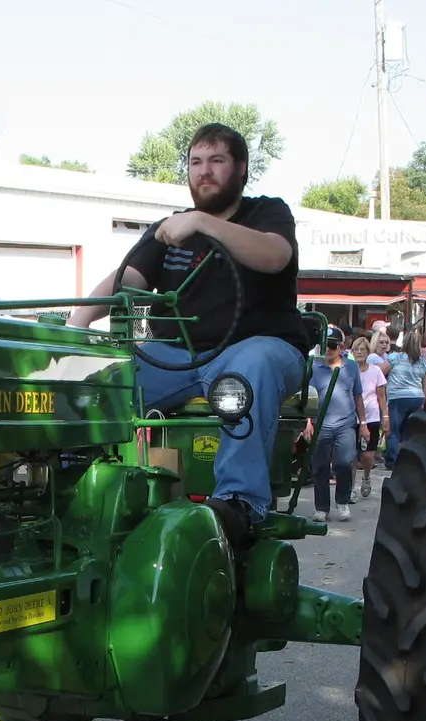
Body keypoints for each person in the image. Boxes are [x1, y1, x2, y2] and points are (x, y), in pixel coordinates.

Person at [68, 123, 307, 537]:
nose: (204, 171)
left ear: (242, 169)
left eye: (217, 161)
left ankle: (240, 503)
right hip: (179, 358)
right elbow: (127, 281)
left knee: (250, 365)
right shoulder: (171, 228)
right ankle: (69, 483)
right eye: (196, 162)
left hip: (258, 350)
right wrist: (78, 323)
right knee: (101, 381)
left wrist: (201, 222)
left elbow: (274, 256)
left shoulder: (268, 212)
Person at [306, 328, 367, 523]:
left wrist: (363, 423)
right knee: (320, 467)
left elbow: (358, 395)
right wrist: (306, 422)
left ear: (341, 347)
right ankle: (322, 508)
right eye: (325, 345)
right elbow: (306, 397)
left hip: (345, 423)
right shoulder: (313, 366)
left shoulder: (350, 367)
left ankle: (342, 501)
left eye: (332, 345)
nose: (329, 349)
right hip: (320, 423)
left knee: (344, 463)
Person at [382, 330, 426, 468]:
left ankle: (392, 461)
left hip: (397, 397)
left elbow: (381, 372)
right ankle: (409, 461)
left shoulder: (395, 357)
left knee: (393, 431)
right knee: (409, 431)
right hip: (417, 397)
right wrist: (423, 401)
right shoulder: (423, 363)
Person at [352, 335, 387, 498]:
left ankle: (366, 477)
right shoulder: (348, 369)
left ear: (368, 352)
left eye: (362, 349)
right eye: (356, 349)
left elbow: (381, 396)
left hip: (371, 416)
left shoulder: (375, 371)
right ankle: (350, 487)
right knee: (350, 454)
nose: (359, 352)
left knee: (367, 454)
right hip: (351, 416)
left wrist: (385, 417)